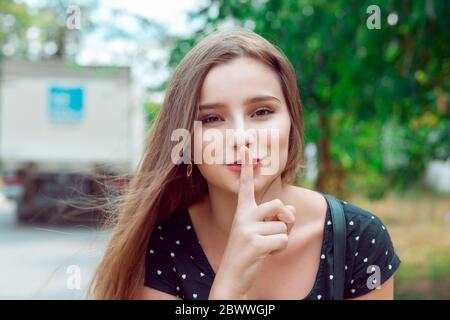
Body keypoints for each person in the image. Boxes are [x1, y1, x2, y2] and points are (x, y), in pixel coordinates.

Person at [89, 28, 401, 300]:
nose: (241, 137)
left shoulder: (358, 237)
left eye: (262, 112)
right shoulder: (162, 246)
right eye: (211, 119)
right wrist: (229, 286)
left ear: (292, 122)